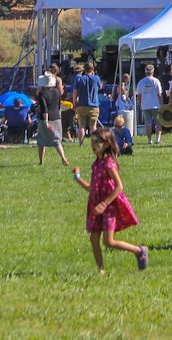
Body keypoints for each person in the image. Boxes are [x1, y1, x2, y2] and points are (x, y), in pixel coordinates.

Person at [73, 127, 146, 273]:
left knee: (109, 242)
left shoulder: (109, 163)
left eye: (96, 142)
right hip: (96, 206)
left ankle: (139, 251)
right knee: (94, 240)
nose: (93, 144)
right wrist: (77, 178)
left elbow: (119, 186)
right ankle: (100, 270)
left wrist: (104, 203)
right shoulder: (96, 164)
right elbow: (92, 188)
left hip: (109, 207)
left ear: (105, 144)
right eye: (92, 141)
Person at [35, 75, 69, 167]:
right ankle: (63, 157)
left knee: (41, 141)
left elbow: (44, 108)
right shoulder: (57, 91)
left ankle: (41, 161)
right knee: (57, 140)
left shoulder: (42, 94)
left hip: (45, 119)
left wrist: (46, 121)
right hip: (56, 117)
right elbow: (58, 105)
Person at [134, 64, 164, 146]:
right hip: (156, 105)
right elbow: (159, 94)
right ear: (153, 71)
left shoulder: (141, 82)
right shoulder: (156, 81)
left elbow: (139, 95)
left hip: (145, 105)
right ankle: (158, 139)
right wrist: (162, 105)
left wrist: (141, 104)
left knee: (148, 123)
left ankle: (149, 140)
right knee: (158, 123)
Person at [70, 62, 102, 140]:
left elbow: (75, 92)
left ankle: (80, 143)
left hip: (82, 104)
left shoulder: (80, 79)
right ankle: (94, 142)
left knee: (81, 126)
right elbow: (100, 87)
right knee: (93, 126)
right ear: (93, 69)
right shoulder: (96, 78)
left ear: (84, 69)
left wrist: (74, 103)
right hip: (94, 105)